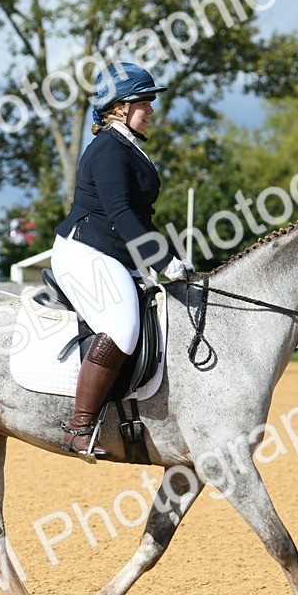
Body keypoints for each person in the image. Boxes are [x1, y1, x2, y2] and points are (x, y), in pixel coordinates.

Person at [51, 62, 195, 459]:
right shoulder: (109, 149)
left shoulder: (128, 146)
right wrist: (163, 260)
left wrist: (170, 257)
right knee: (122, 325)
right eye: (144, 102)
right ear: (119, 107)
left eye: (150, 102)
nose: (151, 110)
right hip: (86, 250)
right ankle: (80, 427)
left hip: (114, 251)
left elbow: (139, 218)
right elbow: (120, 214)